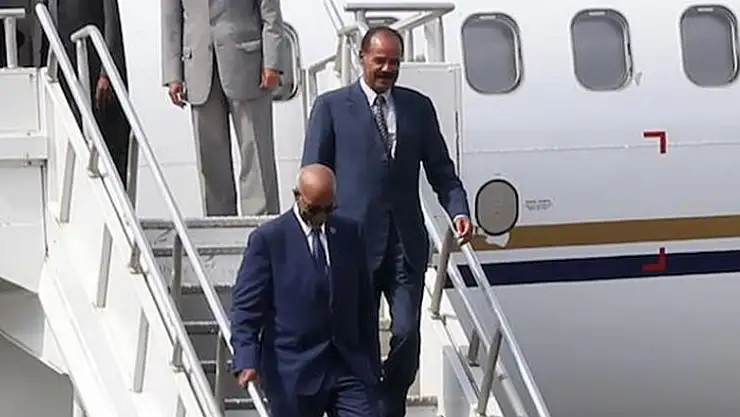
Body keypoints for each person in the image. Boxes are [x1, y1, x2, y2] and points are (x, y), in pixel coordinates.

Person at [301, 26, 474, 417]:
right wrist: (313, 232)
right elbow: (313, 174)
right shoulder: (331, 107)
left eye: (394, 62)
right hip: (352, 245)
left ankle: (390, 401)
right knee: (359, 341)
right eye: (379, 61)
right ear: (362, 58)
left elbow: (441, 170)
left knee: (407, 332)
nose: (387, 69)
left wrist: (459, 210)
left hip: (405, 243)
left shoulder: (417, 107)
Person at [230, 163, 381, 417]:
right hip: (294, 371)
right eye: (314, 209)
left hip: (347, 365)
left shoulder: (350, 233)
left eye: (329, 208)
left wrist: (372, 365)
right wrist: (246, 358)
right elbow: (246, 308)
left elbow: (364, 303)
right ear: (297, 196)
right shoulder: (269, 240)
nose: (321, 216)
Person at [161, 0, 283, 217]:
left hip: (248, 64)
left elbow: (270, 12)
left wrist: (272, 62)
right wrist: (173, 75)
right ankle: (218, 221)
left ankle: (262, 222)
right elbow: (170, 20)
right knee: (210, 159)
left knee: (256, 152)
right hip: (198, 66)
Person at [40, 0, 131, 186]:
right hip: (62, 79)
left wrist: (106, 72)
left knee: (106, 148)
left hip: (95, 75)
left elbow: (111, 21)